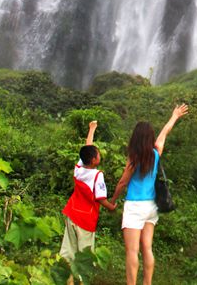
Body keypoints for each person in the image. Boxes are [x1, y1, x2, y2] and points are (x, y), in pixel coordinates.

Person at [111, 103, 189, 285]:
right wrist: (175, 115)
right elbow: (165, 132)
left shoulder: (134, 158)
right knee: (147, 248)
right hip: (151, 207)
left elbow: (123, 182)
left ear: (135, 138)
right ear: (150, 137)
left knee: (132, 251)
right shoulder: (156, 153)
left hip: (135, 206)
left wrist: (113, 200)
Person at [60, 120, 116, 278]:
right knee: (84, 255)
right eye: (98, 153)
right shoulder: (97, 175)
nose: (99, 154)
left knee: (69, 249)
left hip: (72, 214)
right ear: (94, 160)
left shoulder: (79, 169)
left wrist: (92, 129)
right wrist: (111, 207)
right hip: (85, 218)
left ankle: (66, 278)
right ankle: (81, 279)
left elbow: (87, 148)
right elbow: (100, 198)